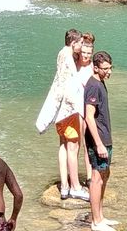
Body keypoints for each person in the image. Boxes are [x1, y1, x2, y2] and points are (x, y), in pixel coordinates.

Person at [36, 28, 89, 201]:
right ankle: (75, 187)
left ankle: (65, 186)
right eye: (80, 43)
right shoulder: (68, 57)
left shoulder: (61, 54)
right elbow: (70, 86)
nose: (82, 46)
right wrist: (79, 108)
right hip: (69, 109)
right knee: (73, 147)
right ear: (73, 43)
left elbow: (58, 83)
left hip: (60, 110)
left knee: (63, 146)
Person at [84, 51, 115, 231]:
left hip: (105, 137)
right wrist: (99, 143)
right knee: (96, 178)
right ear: (95, 67)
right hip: (99, 140)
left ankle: (101, 217)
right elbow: (89, 117)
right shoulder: (93, 86)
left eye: (110, 68)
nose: (109, 72)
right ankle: (96, 221)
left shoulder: (100, 82)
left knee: (104, 175)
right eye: (105, 69)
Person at [78, 33, 96, 187]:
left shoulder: (92, 67)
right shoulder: (74, 64)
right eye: (83, 52)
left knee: (88, 143)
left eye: (88, 53)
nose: (85, 55)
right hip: (77, 108)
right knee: (76, 143)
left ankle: (90, 176)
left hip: (89, 109)